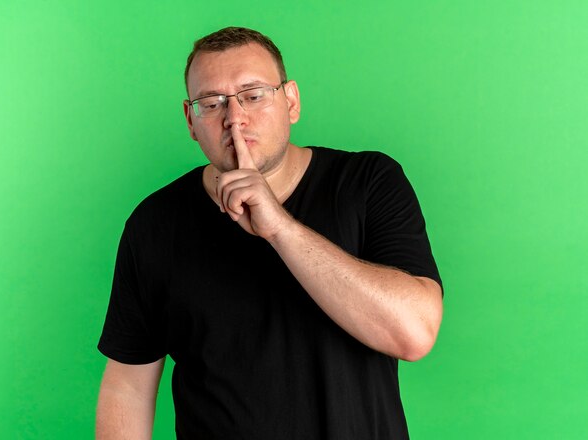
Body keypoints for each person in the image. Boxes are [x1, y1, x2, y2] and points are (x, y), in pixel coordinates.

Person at [96, 26, 443, 440]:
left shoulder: (367, 183)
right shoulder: (154, 224)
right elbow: (128, 386)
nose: (234, 118)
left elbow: (414, 333)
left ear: (291, 101)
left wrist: (280, 227)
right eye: (211, 103)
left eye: (254, 95)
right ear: (191, 120)